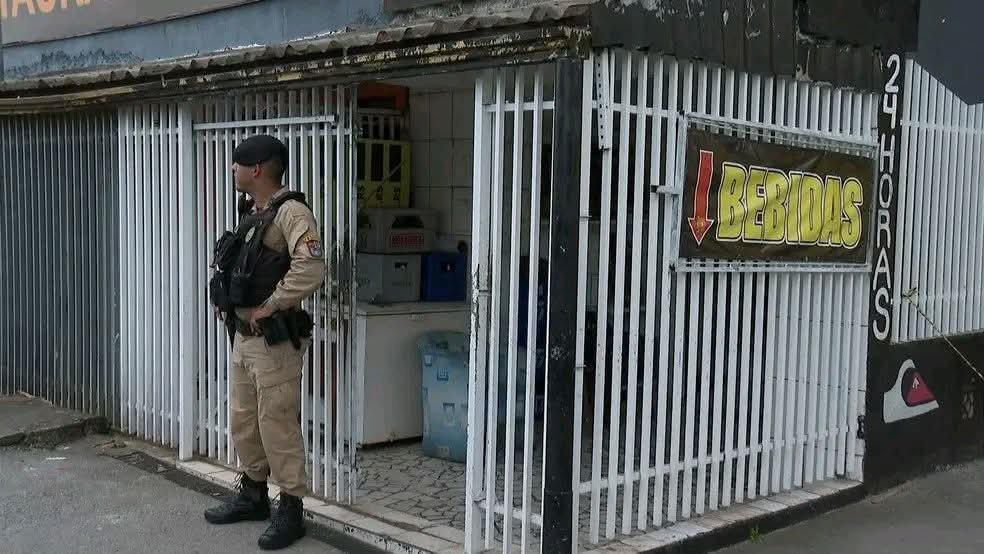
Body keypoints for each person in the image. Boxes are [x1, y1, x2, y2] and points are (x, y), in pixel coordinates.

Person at [204, 135, 326, 551]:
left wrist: (272, 305)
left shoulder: (292, 213)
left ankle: (291, 508)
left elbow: (311, 267)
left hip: (272, 341)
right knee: (244, 418)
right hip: (243, 337)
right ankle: (254, 493)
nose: (233, 171)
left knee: (277, 423)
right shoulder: (253, 213)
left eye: (238, 165)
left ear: (257, 169)